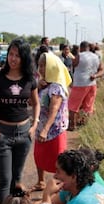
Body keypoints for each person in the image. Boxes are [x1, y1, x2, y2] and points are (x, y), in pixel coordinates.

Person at [0, 38, 40, 204]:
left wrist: (34, 124)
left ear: (25, 58)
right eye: (11, 54)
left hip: (24, 133)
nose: (13, 59)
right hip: (1, 134)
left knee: (17, 178)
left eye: (18, 55)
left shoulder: (30, 79)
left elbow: (36, 103)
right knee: (5, 179)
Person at [31, 52, 72, 192]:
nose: (41, 69)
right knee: (39, 156)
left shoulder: (56, 87)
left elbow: (54, 109)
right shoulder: (44, 85)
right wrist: (38, 87)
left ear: (52, 67)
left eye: (44, 66)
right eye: (40, 65)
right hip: (41, 126)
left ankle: (59, 186)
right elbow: (32, 102)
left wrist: (45, 129)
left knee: (58, 160)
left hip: (54, 130)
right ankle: (41, 181)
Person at [67, 41, 104, 131]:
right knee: (88, 106)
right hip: (92, 84)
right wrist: (95, 76)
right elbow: (102, 70)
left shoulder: (80, 55)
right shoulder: (96, 57)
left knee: (73, 105)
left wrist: (72, 57)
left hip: (80, 84)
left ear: (81, 47)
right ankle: (84, 124)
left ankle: (72, 125)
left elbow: (74, 64)